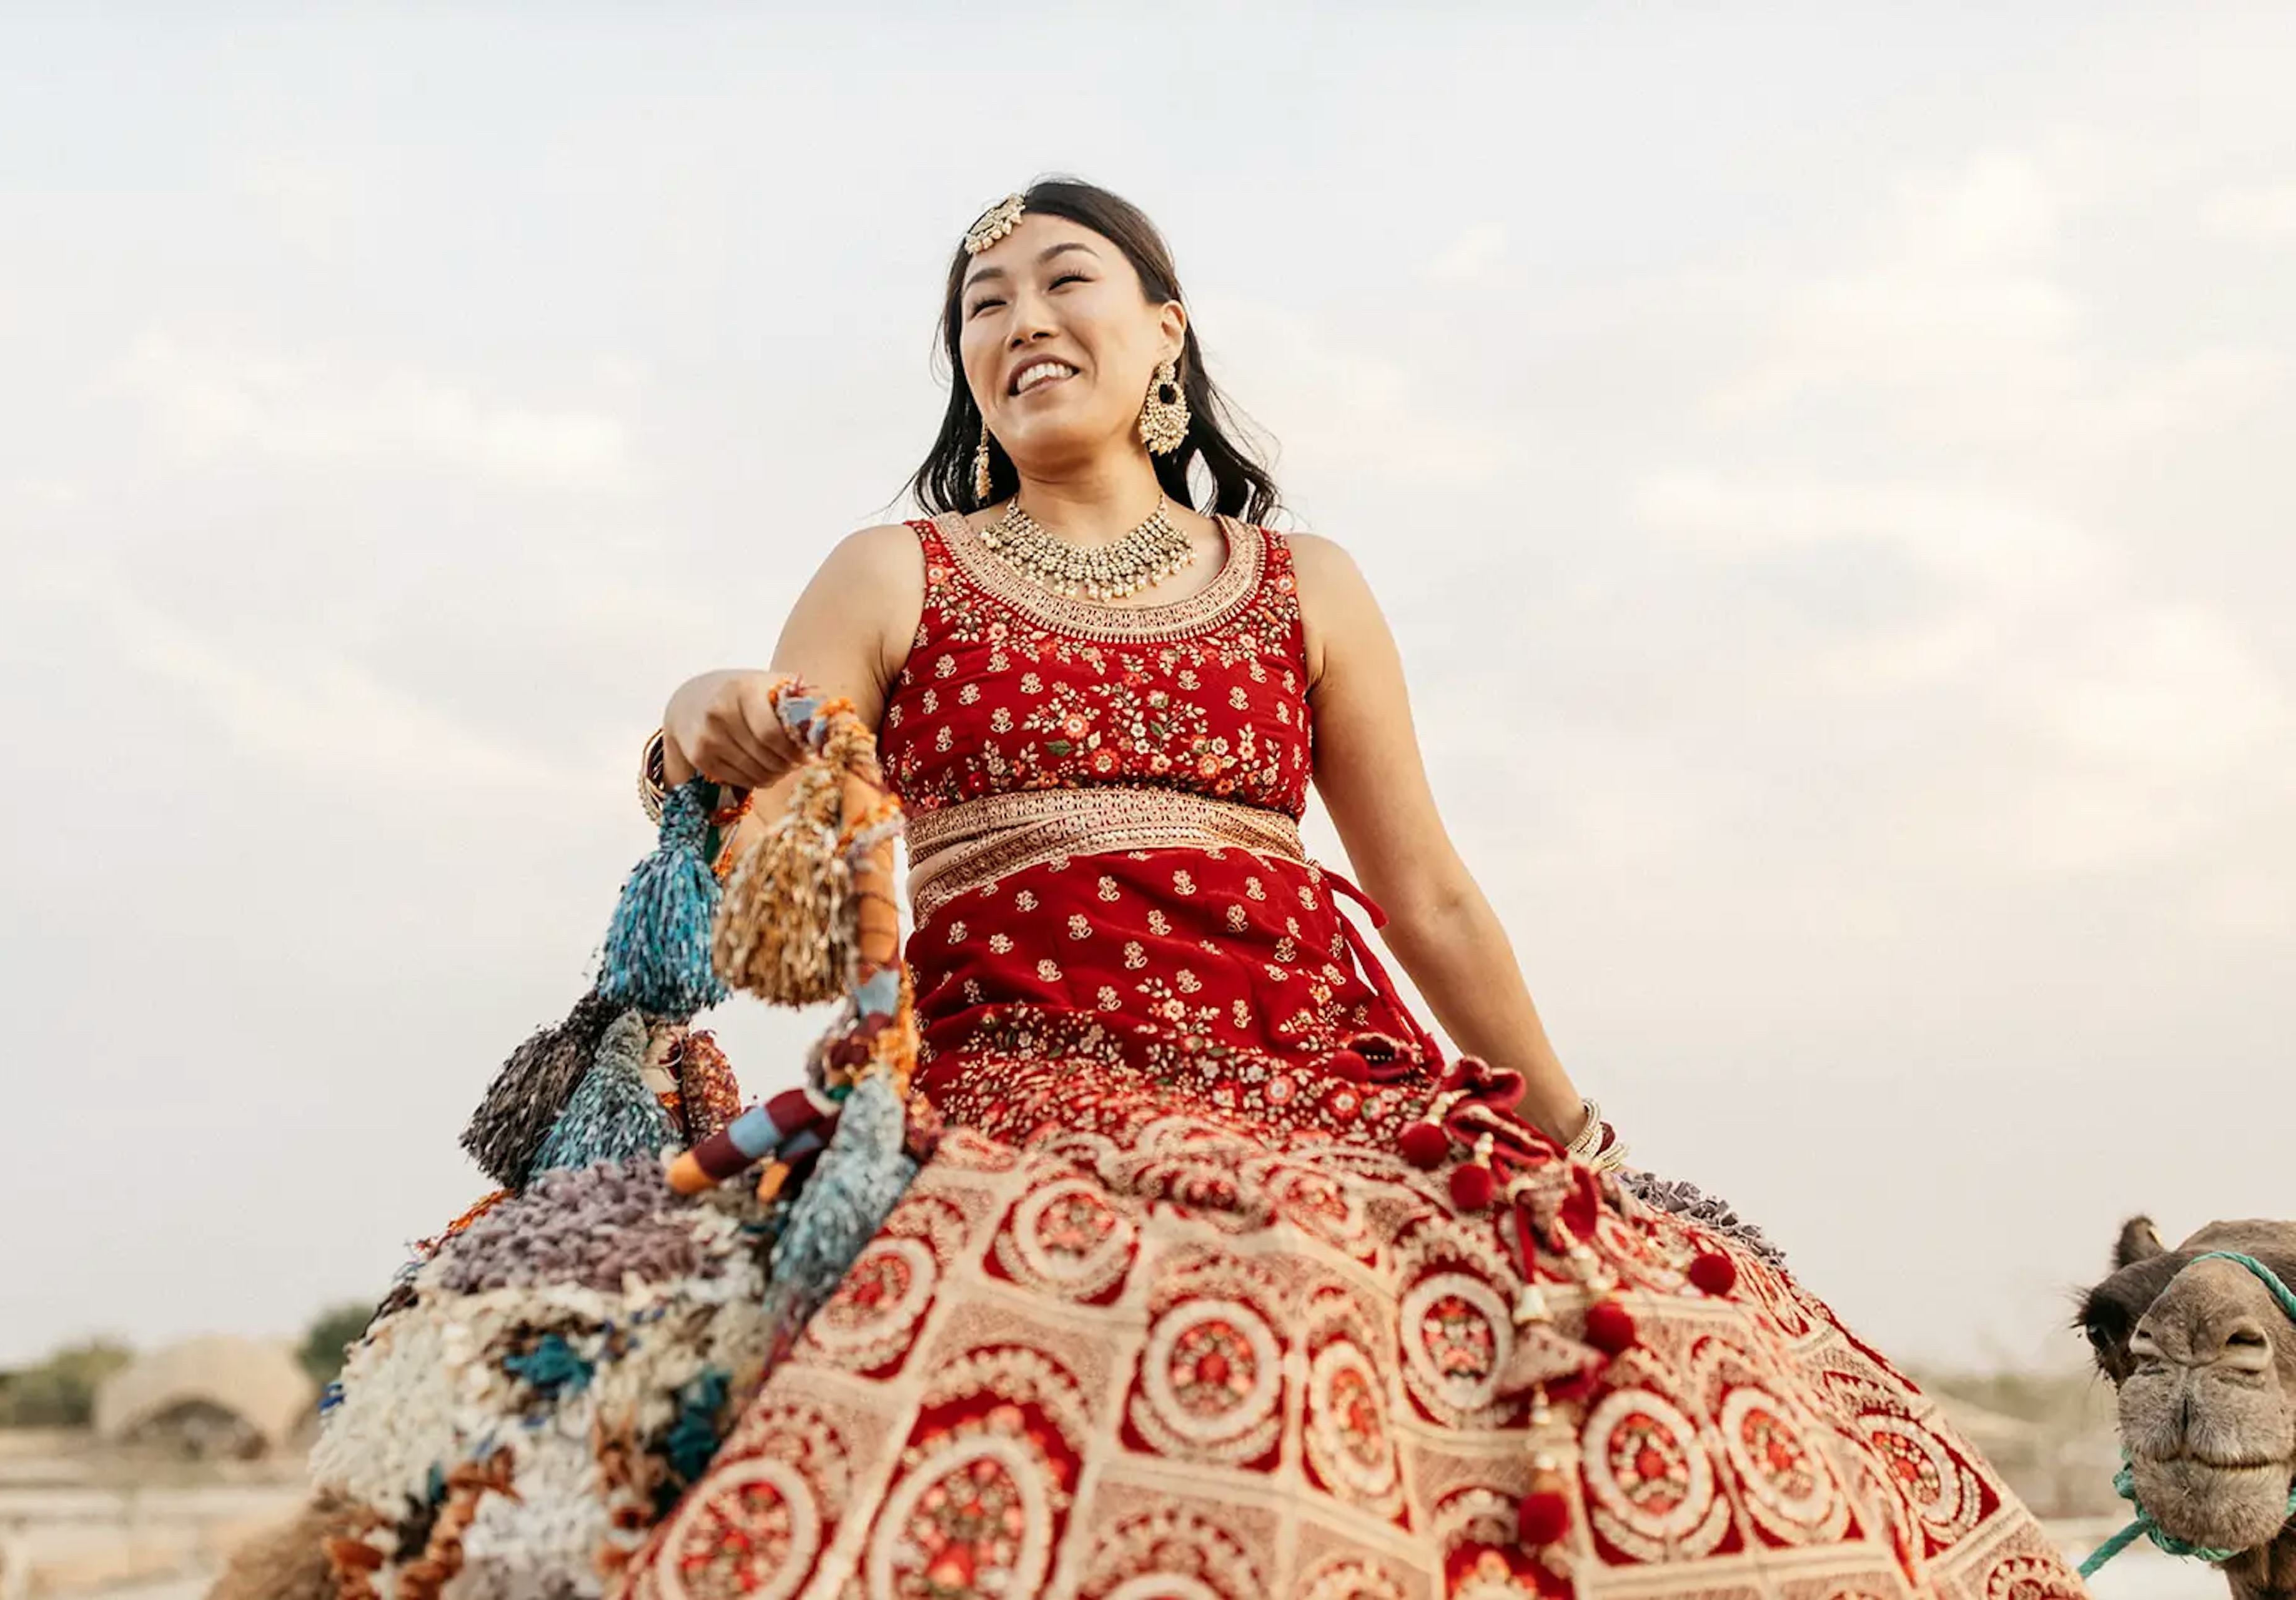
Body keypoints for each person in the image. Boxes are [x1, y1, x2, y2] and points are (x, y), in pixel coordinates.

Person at [626, 180, 2082, 1599]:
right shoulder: (895, 573)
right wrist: (702, 715)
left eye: (1067, 281)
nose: (1020, 319)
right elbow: (759, 851)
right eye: (982, 303)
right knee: (1228, 1279)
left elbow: (1428, 895)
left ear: (1165, 333)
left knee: (1648, 1327)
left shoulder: (1301, 583)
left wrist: (1583, 1145)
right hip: (1023, 1074)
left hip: (1326, 1073)